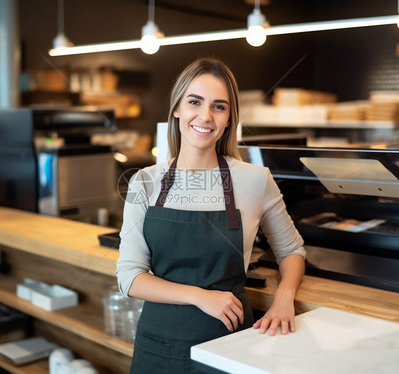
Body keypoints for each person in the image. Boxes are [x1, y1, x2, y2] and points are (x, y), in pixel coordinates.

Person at [116, 57, 306, 373]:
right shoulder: (146, 182)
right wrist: (200, 297)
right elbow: (129, 277)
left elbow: (292, 251)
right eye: (195, 102)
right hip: (158, 346)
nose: (205, 116)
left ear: (230, 118)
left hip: (228, 341)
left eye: (219, 106)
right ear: (177, 108)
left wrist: (285, 298)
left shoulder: (255, 180)